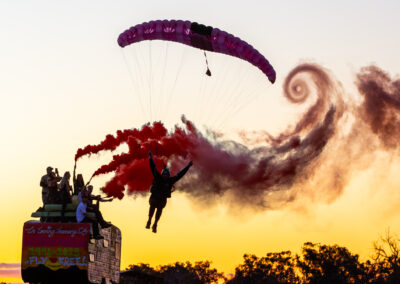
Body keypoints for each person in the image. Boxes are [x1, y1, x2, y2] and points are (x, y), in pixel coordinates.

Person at [146, 150, 193, 233]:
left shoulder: (171, 181)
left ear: (168, 175)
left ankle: (155, 224)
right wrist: (150, 157)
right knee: (152, 206)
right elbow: (152, 167)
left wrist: (188, 166)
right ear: (162, 174)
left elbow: (181, 174)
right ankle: (149, 220)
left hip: (162, 200)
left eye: (167, 175)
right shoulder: (158, 177)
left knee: (159, 210)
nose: (165, 176)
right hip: (154, 198)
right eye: (164, 175)